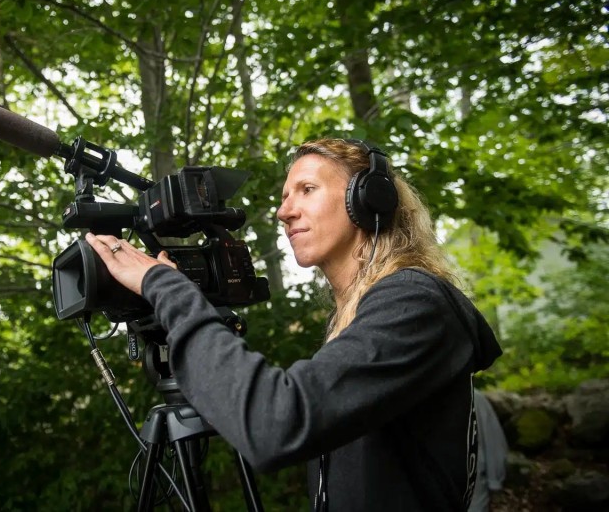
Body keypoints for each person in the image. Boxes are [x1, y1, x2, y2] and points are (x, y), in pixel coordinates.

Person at [85, 138, 502, 511]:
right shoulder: (357, 314)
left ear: (368, 198)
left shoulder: (414, 303)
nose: (284, 212)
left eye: (307, 189)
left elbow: (275, 423)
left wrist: (165, 287)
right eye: (285, 197)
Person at [468, 390, 508, 512]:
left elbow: (493, 442)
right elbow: (494, 444)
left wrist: (494, 480)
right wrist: (494, 481)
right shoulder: (475, 398)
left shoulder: (475, 399)